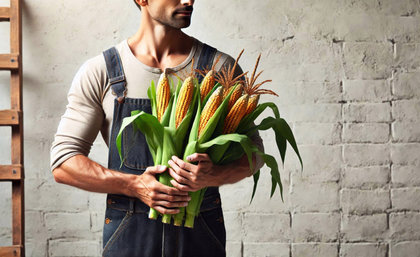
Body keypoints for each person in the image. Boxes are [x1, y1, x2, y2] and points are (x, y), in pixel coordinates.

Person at [50, 0, 264, 256]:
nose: (189, 0)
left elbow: (254, 155)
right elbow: (63, 163)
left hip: (200, 235)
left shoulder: (220, 69)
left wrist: (213, 175)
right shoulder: (102, 72)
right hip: (130, 235)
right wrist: (133, 184)